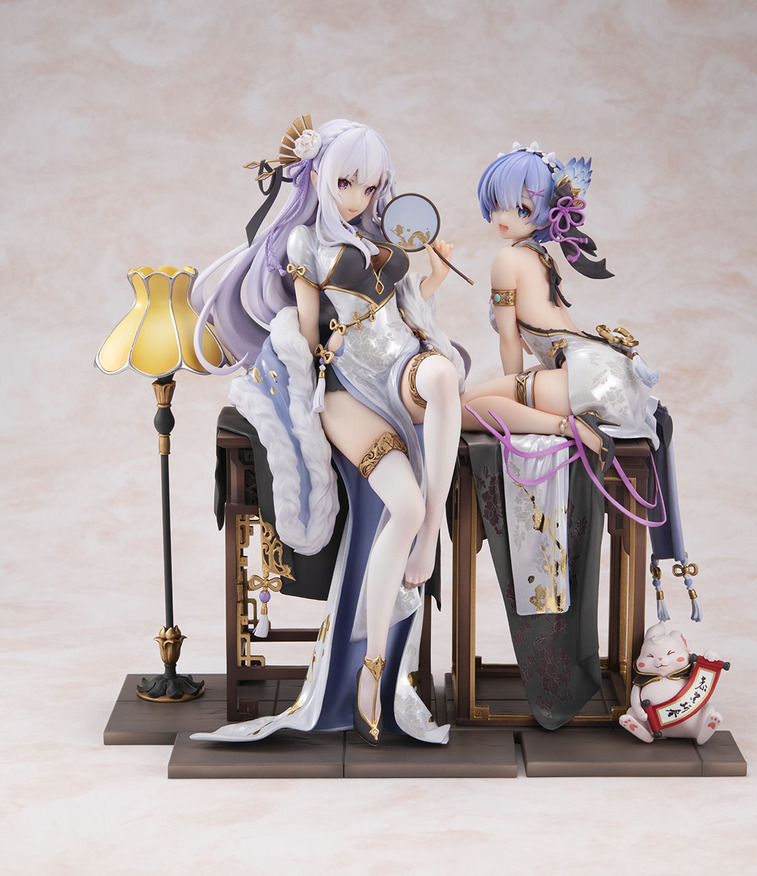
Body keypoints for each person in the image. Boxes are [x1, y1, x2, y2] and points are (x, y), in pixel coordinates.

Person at [191, 116, 466, 746]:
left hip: (401, 367)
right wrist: (322, 349)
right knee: (402, 503)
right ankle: (373, 667)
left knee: (444, 375)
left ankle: (429, 538)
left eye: (369, 187)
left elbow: (407, 310)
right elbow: (309, 329)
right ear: (318, 176)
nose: (357, 198)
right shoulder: (305, 244)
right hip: (347, 387)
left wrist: (433, 279)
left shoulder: (383, 236)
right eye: (346, 183)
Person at [461, 142, 660, 467]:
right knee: (490, 398)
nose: (502, 217)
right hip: (606, 371)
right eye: (497, 204)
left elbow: (510, 338)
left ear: (546, 214)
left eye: (521, 209)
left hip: (583, 376)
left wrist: (515, 399)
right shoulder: (542, 257)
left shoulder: (507, 258)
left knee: (465, 408)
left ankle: (571, 428)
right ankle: (571, 423)